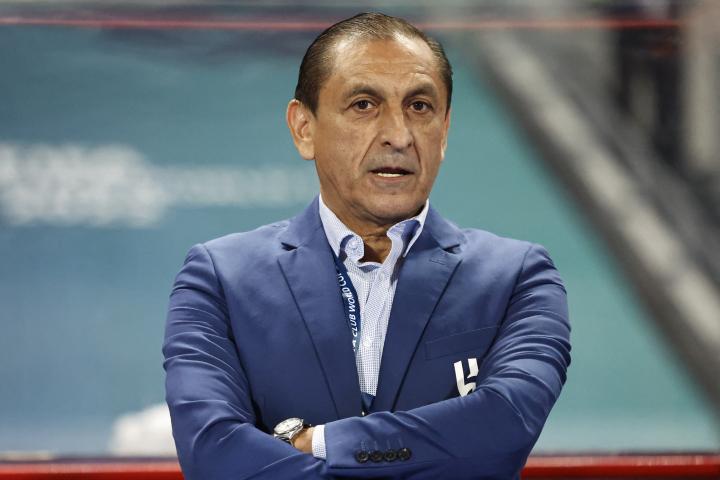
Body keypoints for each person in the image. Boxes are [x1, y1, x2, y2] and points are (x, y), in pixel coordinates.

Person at [163, 12, 571, 480]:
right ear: (304, 128)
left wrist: (321, 442)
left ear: (444, 131)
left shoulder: (518, 277)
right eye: (363, 105)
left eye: (420, 106)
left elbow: (505, 423)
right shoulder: (219, 278)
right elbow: (213, 452)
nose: (399, 135)